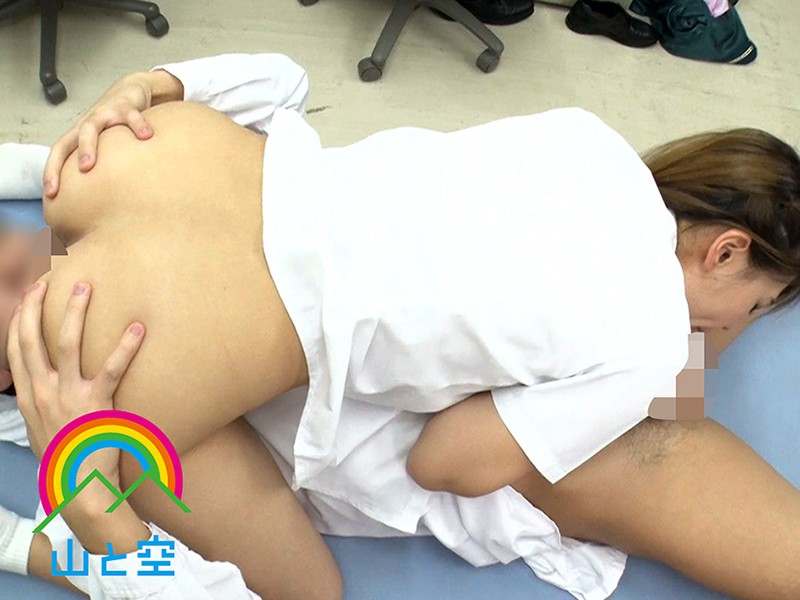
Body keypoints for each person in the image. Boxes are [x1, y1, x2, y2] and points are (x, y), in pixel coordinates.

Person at [0, 52, 798, 600]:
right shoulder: (104, 166)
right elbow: (282, 78)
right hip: (184, 205)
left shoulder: (120, 409)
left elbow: (323, 571)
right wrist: (154, 82)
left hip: (462, 431)